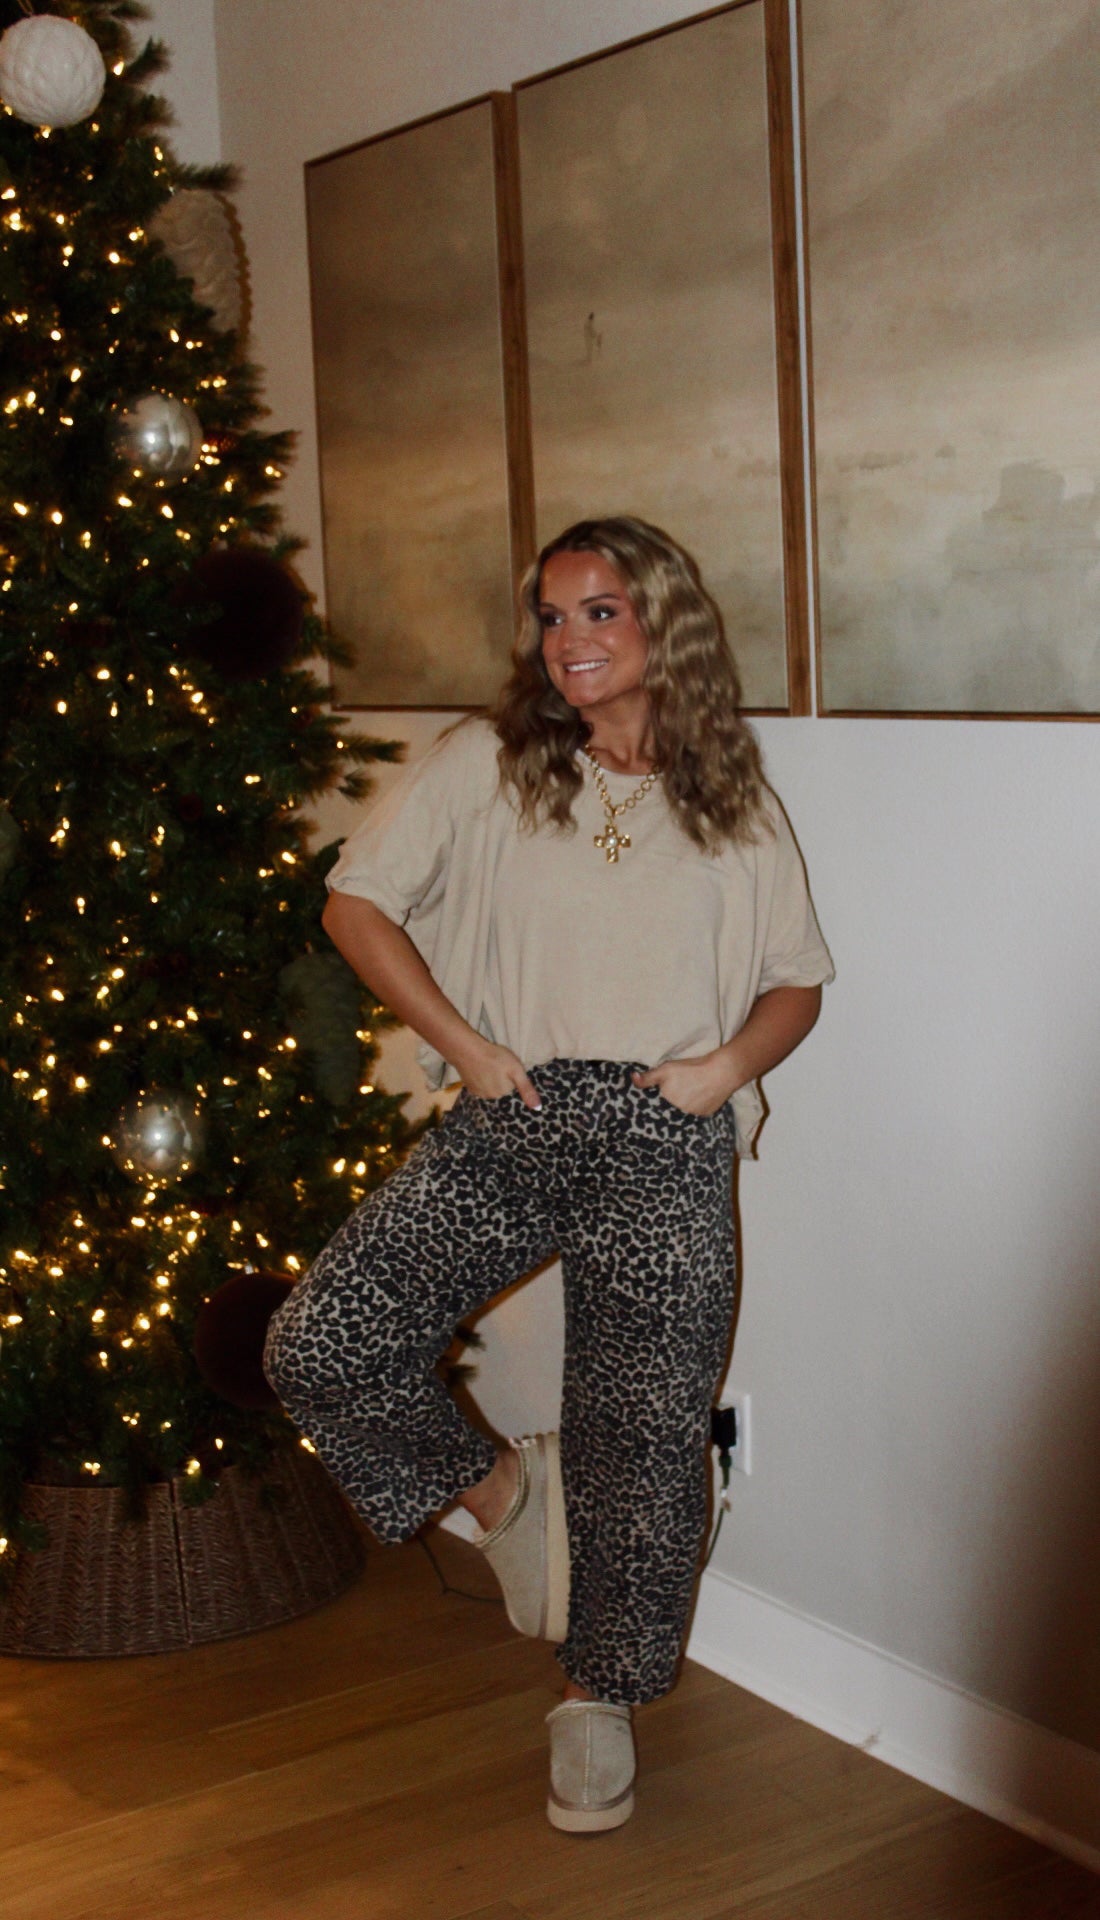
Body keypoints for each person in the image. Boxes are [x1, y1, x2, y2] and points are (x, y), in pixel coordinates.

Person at [264, 516, 833, 1833]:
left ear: (662, 622)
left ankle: (598, 1699)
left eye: (600, 611)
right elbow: (355, 902)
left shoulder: (730, 793)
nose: (568, 639)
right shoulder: (490, 761)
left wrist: (720, 1070)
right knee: (323, 1341)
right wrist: (464, 1047)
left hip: (665, 1133)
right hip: (516, 1111)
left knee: (642, 1437)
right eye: (552, 614)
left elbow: (797, 979)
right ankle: (509, 1497)